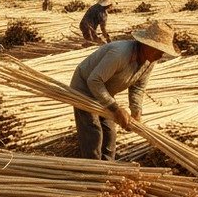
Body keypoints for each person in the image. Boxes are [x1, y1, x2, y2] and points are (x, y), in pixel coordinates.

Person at [70, 21, 178, 160]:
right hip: (84, 89)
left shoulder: (149, 60)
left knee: (110, 134)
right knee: (94, 132)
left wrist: (136, 111)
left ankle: (109, 170)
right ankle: (93, 171)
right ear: (147, 45)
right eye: (159, 50)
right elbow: (94, 81)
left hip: (105, 93)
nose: (161, 55)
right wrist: (115, 108)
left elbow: (138, 87)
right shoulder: (119, 54)